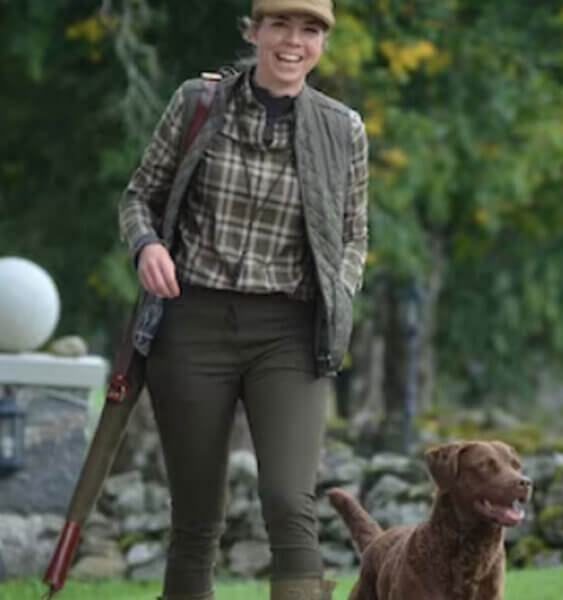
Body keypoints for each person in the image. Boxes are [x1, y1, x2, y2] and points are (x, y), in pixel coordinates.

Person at [118, 1, 369, 599]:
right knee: (197, 514)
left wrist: (341, 290)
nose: (293, 41)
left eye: (310, 30)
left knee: (289, 499)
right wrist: (147, 247)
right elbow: (138, 196)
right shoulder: (197, 103)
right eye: (280, 25)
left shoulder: (343, 129)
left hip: (289, 331)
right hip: (193, 324)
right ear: (254, 32)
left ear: (321, 44)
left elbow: (355, 233)